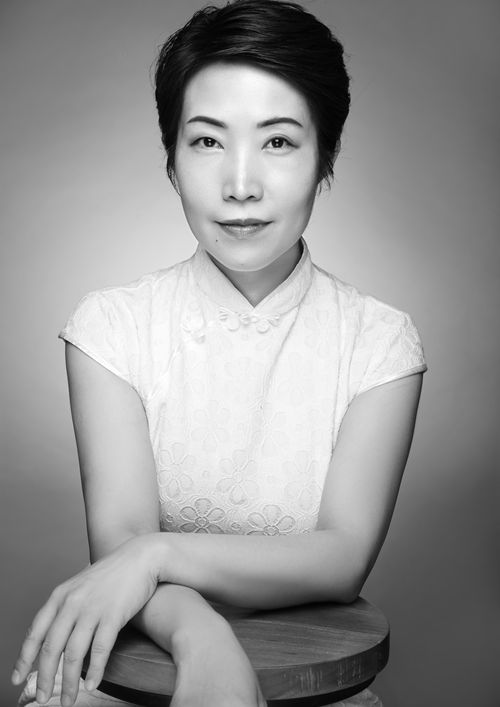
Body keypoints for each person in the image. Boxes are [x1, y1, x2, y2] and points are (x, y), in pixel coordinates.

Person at [12, 1, 427, 705]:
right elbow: (119, 544)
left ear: (326, 157)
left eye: (278, 141)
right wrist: (198, 634)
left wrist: (158, 553)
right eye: (206, 140)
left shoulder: (378, 341)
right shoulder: (114, 326)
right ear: (171, 161)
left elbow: (341, 558)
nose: (240, 184)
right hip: (129, 677)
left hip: (314, 687)